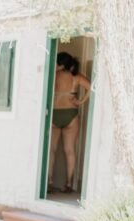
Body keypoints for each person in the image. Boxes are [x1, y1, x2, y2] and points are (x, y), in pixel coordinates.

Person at [48, 51, 91, 195]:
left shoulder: (53, 75)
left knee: (51, 150)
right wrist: (80, 101)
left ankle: (49, 183)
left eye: (56, 62)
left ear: (61, 64)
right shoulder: (76, 77)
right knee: (70, 150)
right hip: (71, 114)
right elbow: (90, 87)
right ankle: (68, 184)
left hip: (54, 113)